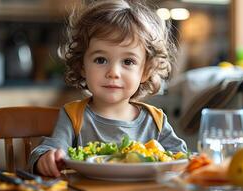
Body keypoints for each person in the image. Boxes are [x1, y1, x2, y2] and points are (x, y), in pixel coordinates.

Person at [29, 0, 187, 177]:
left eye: (128, 62)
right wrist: (45, 159)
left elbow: (181, 157)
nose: (113, 73)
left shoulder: (155, 120)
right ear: (82, 66)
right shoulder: (73, 115)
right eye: (100, 60)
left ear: (145, 71)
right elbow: (48, 150)